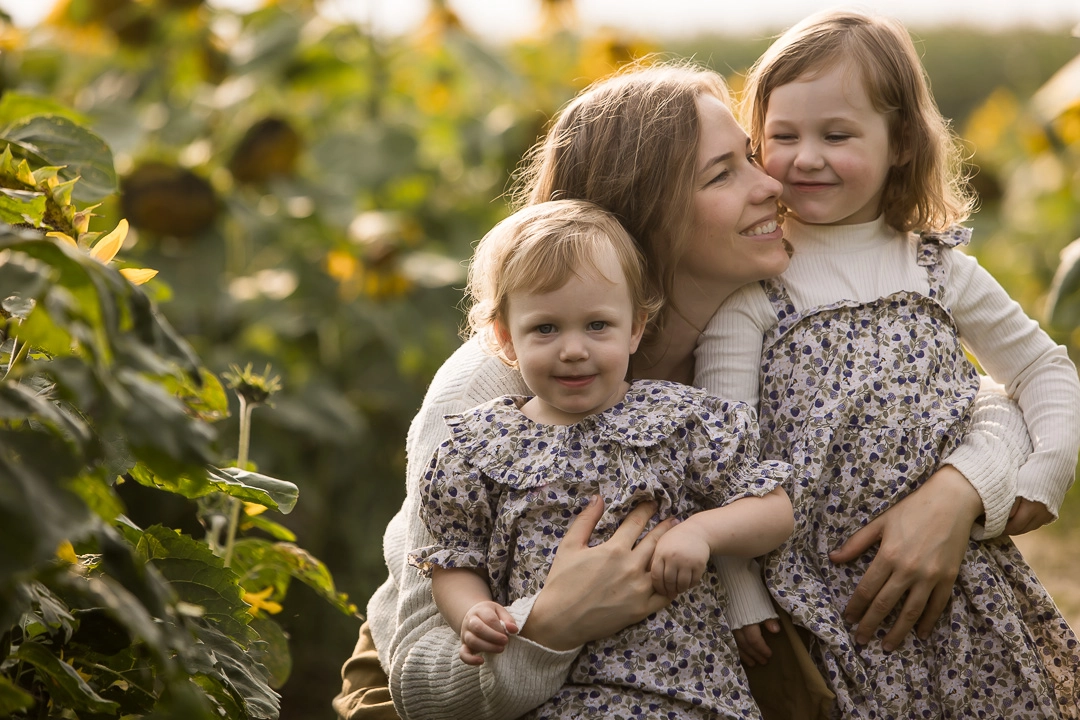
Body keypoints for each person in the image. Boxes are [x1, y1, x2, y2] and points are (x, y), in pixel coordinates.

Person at [334, 59, 1033, 720]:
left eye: (752, 156)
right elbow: (423, 677)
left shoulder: (769, 326)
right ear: (642, 215)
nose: (772, 185)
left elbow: (967, 391)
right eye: (723, 174)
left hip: (676, 673)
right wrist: (551, 624)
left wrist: (959, 489)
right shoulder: (497, 384)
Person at [695, 10, 1080, 718]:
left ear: (900, 142)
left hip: (960, 585)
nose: (806, 157)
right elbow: (726, 457)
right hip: (817, 597)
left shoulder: (937, 269)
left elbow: (1043, 369)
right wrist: (742, 592)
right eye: (782, 136)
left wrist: (1044, 473)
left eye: (836, 135)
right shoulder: (753, 291)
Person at [408, 198, 795, 718]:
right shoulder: (477, 444)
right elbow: (455, 560)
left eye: (597, 326)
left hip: (686, 690)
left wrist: (702, 532)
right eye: (546, 328)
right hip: (556, 697)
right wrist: (474, 612)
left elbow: (774, 510)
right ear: (505, 337)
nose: (573, 349)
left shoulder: (678, 420)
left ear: (635, 327)